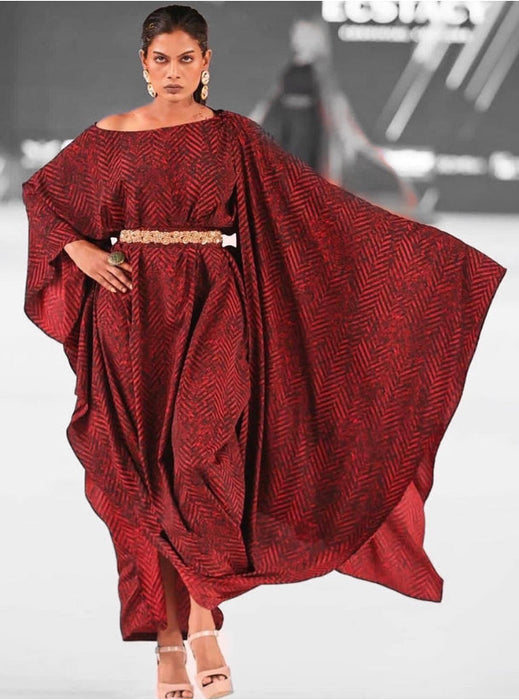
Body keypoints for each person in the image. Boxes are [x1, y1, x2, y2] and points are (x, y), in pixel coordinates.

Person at [21, 5, 507, 700]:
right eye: (161, 59)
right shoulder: (111, 134)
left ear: (206, 62)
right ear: (143, 64)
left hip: (212, 313)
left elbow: (313, 212)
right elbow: (44, 195)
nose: (173, 72)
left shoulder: (234, 139)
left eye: (186, 58)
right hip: (126, 318)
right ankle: (169, 638)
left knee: (200, 461)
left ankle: (201, 623)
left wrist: (432, 263)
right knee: (143, 479)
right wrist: (80, 251)